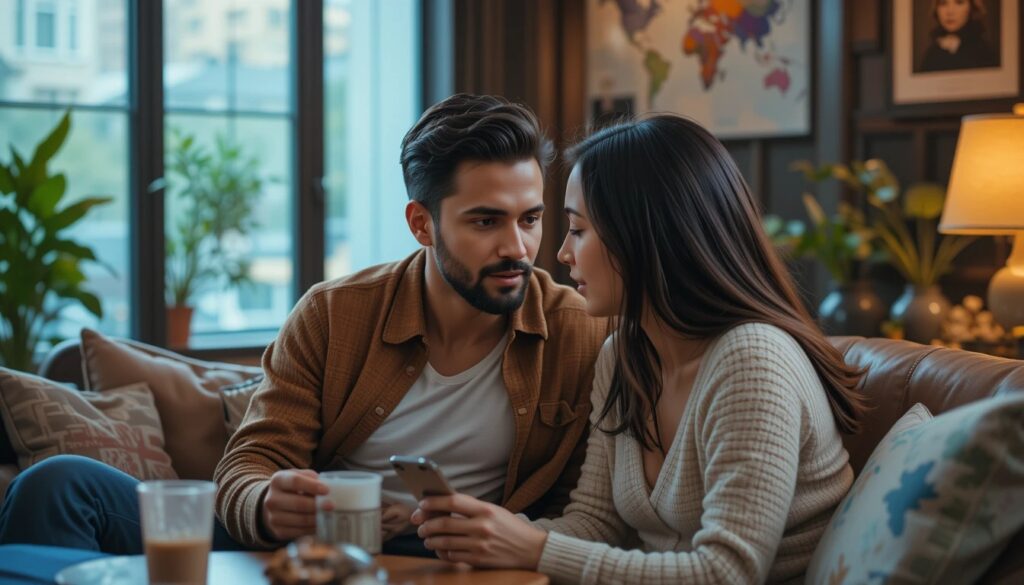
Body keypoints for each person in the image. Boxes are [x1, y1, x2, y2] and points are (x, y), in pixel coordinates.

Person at [0, 94, 608, 556]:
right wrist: (267, 504)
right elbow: (248, 464)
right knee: (57, 485)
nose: (519, 247)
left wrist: (497, 532)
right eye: (485, 222)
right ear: (421, 224)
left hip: (448, 552)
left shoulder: (581, 332)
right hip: (304, 543)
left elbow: (589, 510)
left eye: (529, 219)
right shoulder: (334, 312)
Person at [411, 115, 868, 583]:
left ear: (646, 235)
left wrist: (535, 548)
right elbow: (595, 523)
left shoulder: (752, 359)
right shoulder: (624, 355)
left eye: (579, 230)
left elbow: (727, 573)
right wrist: (488, 537)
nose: (562, 254)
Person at [920, 0, 998, 72]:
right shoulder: (931, 55)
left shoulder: (984, 53)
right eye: (943, 3)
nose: (950, 12)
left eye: (959, 2)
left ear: (971, 7)